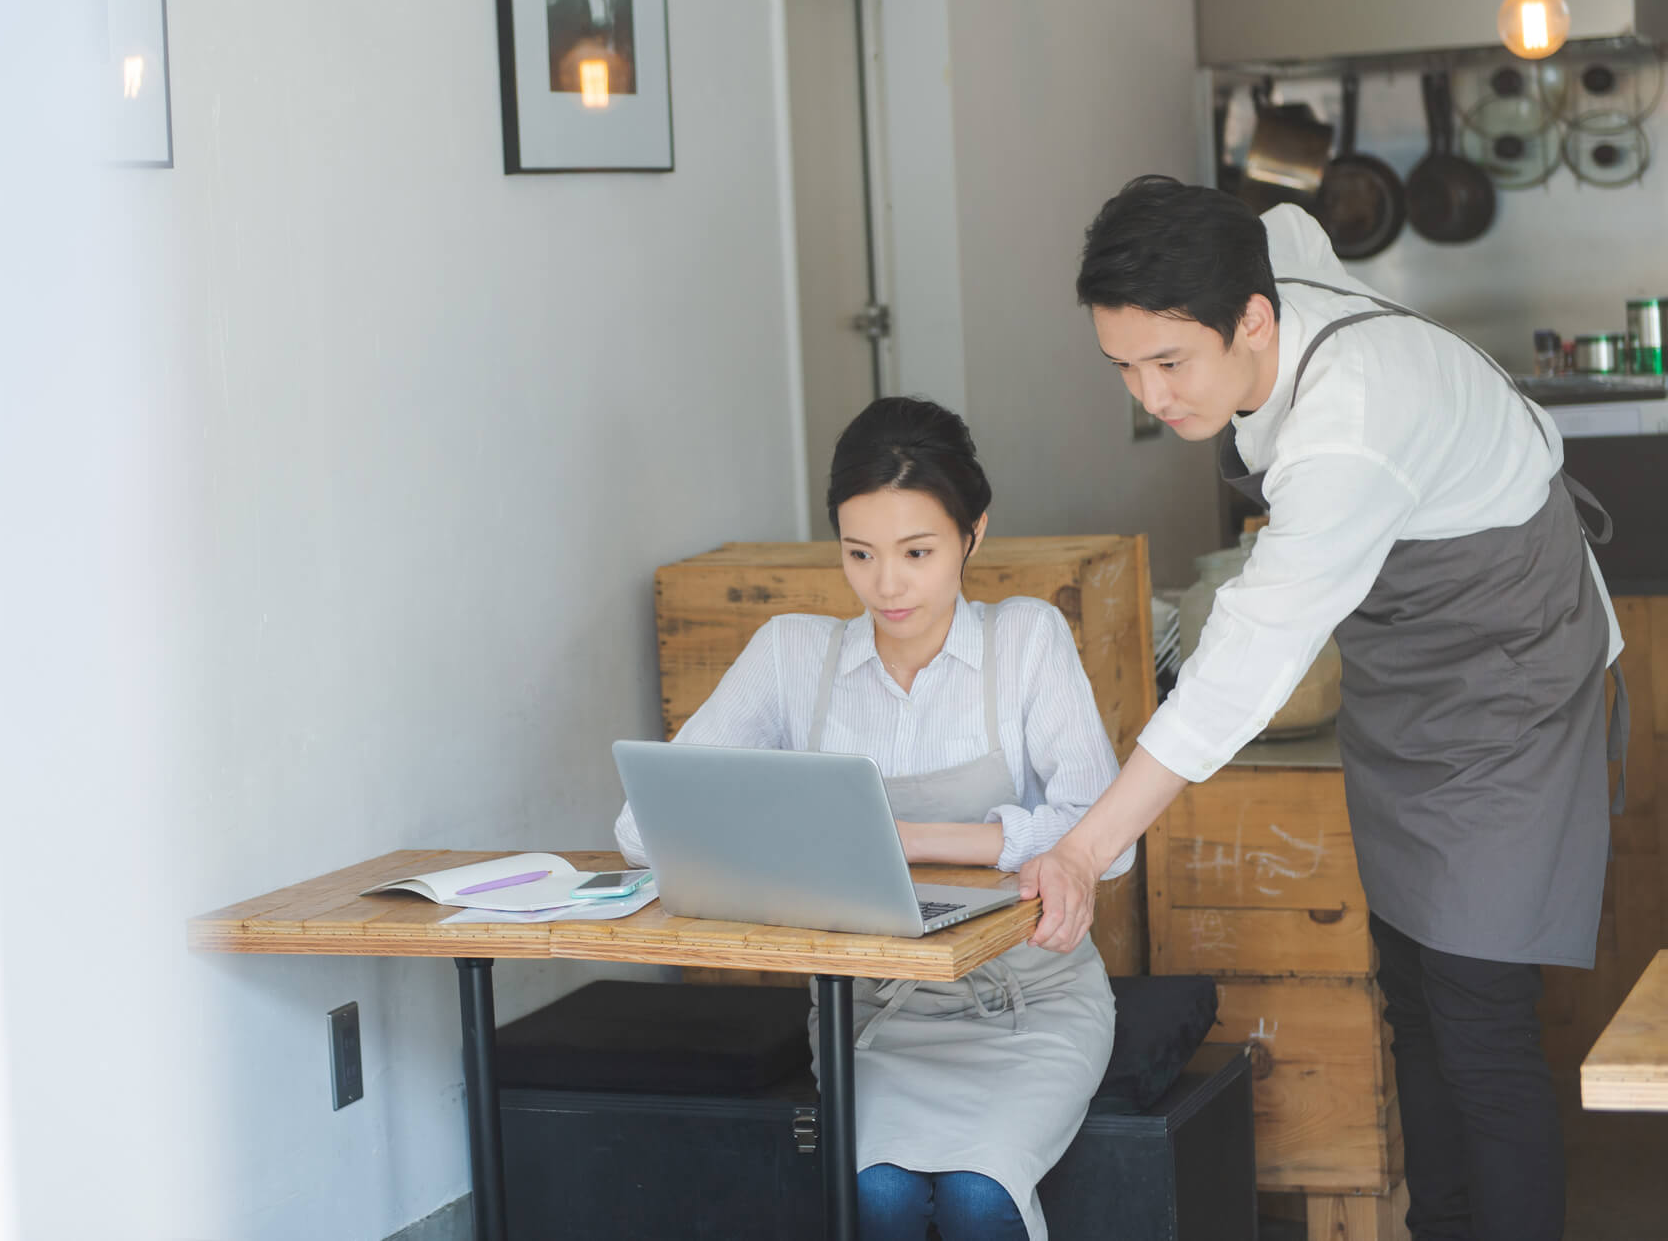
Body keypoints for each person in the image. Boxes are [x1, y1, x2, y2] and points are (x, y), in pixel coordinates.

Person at [1022, 176, 1625, 1241]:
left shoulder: (1344, 429)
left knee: (1478, 1013)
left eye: (1170, 362)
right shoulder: (1274, 260)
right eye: (1124, 365)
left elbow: (1241, 661)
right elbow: (1282, 219)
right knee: (1412, 993)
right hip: (1405, 678)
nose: (1150, 396)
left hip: (1509, 679)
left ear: (1252, 320)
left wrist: (1083, 849)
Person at [614, 396, 1137, 1241]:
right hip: (871, 1016)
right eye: (860, 553)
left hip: (1029, 1007)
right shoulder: (792, 657)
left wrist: (908, 841)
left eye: (917, 552)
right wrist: (802, 831)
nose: (886, 584)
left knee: (978, 1198)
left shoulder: (1027, 640)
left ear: (974, 534)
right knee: (880, 1199)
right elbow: (645, 825)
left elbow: (1106, 835)